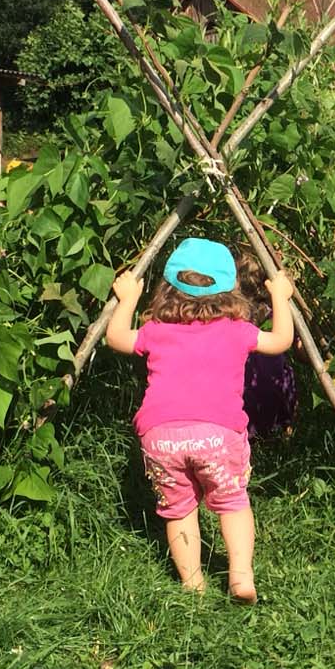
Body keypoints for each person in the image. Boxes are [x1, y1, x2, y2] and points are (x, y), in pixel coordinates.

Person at [106, 237, 294, 601]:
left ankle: (192, 585)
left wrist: (128, 298)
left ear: (169, 288)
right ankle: (240, 577)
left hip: (161, 439)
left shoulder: (158, 330)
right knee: (233, 503)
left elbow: (115, 338)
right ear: (229, 291)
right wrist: (280, 298)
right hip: (218, 437)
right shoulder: (236, 330)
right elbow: (281, 340)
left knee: (178, 510)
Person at [235, 249, 298, 439]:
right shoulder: (276, 311)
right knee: (285, 375)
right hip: (275, 395)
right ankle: (285, 430)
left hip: (243, 405)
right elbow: (297, 346)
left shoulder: (233, 319)